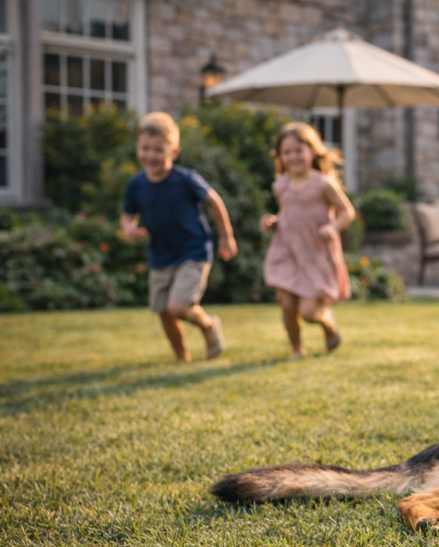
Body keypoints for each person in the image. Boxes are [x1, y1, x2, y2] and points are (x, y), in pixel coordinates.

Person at [121, 112, 237, 362]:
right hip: (160, 255)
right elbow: (127, 214)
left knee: (178, 307)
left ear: (173, 152)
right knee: (163, 311)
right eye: (145, 148)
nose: (151, 155)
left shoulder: (185, 180)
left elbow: (213, 201)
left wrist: (226, 237)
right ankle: (182, 358)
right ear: (137, 148)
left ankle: (208, 326)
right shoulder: (136, 184)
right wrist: (128, 227)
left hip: (193, 252)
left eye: (159, 150)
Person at [260, 122, 355, 360]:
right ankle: (296, 348)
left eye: (298, 150)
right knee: (288, 307)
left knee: (309, 311)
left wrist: (333, 227)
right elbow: (287, 214)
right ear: (280, 156)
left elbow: (347, 211)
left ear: (313, 151)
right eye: (287, 152)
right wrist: (273, 221)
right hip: (288, 252)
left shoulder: (323, 183)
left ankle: (326, 320)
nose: (293, 156)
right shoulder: (280, 186)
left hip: (314, 253)